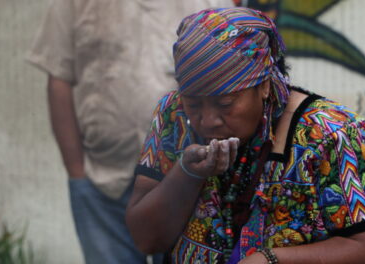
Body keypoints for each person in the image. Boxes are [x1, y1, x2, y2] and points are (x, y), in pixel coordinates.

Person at [126, 7, 365, 264]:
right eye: (194, 103)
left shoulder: (330, 134)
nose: (207, 120)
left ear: (265, 85)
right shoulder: (174, 116)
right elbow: (146, 239)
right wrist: (186, 173)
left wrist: (273, 259)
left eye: (224, 104)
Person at [26, 0, 234, 263]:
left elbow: (232, 79)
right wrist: (77, 173)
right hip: (101, 181)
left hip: (187, 182)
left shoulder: (211, 3)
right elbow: (59, 78)